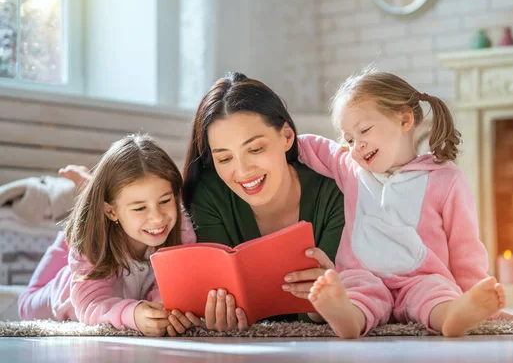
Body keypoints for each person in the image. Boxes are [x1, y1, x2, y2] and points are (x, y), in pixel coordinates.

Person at [297, 69, 506, 338]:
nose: (356, 145)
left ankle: (453, 315)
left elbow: (464, 246)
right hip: (364, 276)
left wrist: (475, 293)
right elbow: (314, 146)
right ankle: (346, 317)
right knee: (354, 290)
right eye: (349, 139)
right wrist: (281, 139)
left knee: (437, 294)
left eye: (364, 131)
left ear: (405, 119)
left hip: (421, 278)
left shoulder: (445, 178)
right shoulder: (350, 168)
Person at [181, 72, 345, 331]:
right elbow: (219, 298)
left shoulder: (335, 192)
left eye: (255, 149)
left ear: (287, 137)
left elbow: (330, 309)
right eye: (225, 159)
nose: (243, 171)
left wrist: (325, 304)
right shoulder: (209, 195)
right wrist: (214, 313)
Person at [19, 135, 197, 337]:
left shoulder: (181, 229)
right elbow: (92, 303)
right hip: (61, 294)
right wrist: (133, 314)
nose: (157, 218)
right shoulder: (94, 242)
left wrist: (161, 311)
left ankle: (86, 202)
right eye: (140, 208)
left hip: (99, 226)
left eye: (165, 201)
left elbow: (170, 289)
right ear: (111, 211)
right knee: (26, 305)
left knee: (86, 230)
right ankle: (80, 214)